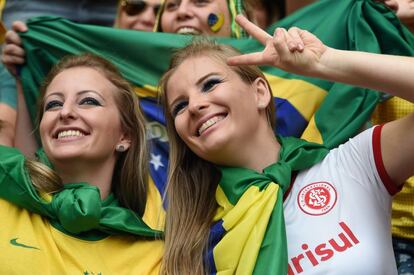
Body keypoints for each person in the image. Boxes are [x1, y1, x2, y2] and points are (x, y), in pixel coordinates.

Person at [159, 15, 414, 274]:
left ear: (260, 92)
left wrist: (324, 62)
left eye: (210, 84)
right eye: (179, 106)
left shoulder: (353, 163)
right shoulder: (195, 241)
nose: (194, 106)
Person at [0, 53, 163, 274]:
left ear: (125, 135)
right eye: (53, 104)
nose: (65, 112)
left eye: (88, 101)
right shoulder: (5, 195)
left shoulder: (158, 254)